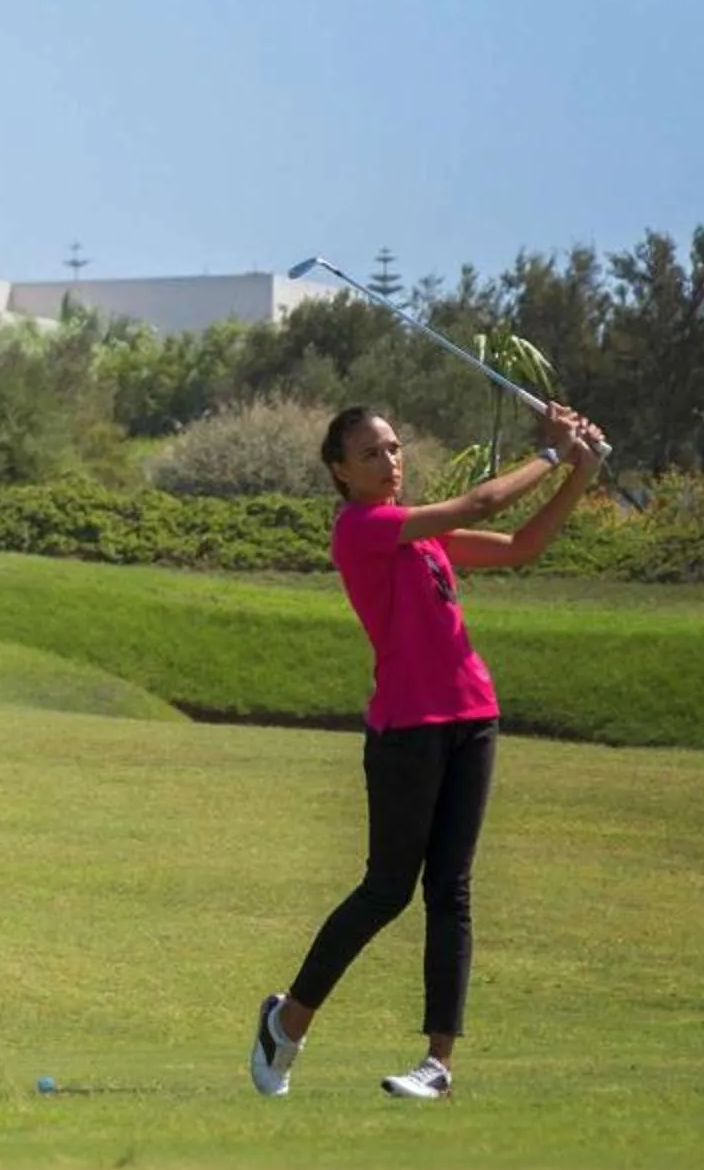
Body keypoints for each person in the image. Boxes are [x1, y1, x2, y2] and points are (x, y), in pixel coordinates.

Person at [249, 397, 605, 1102]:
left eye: (393, 447)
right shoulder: (362, 529)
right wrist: (553, 451)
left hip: (474, 717)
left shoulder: (425, 538)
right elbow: (481, 500)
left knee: (452, 891)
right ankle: (287, 1021)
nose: (390, 461)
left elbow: (522, 547)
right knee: (387, 889)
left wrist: (579, 475)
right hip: (406, 729)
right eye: (371, 454)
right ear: (341, 473)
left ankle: (437, 1065)